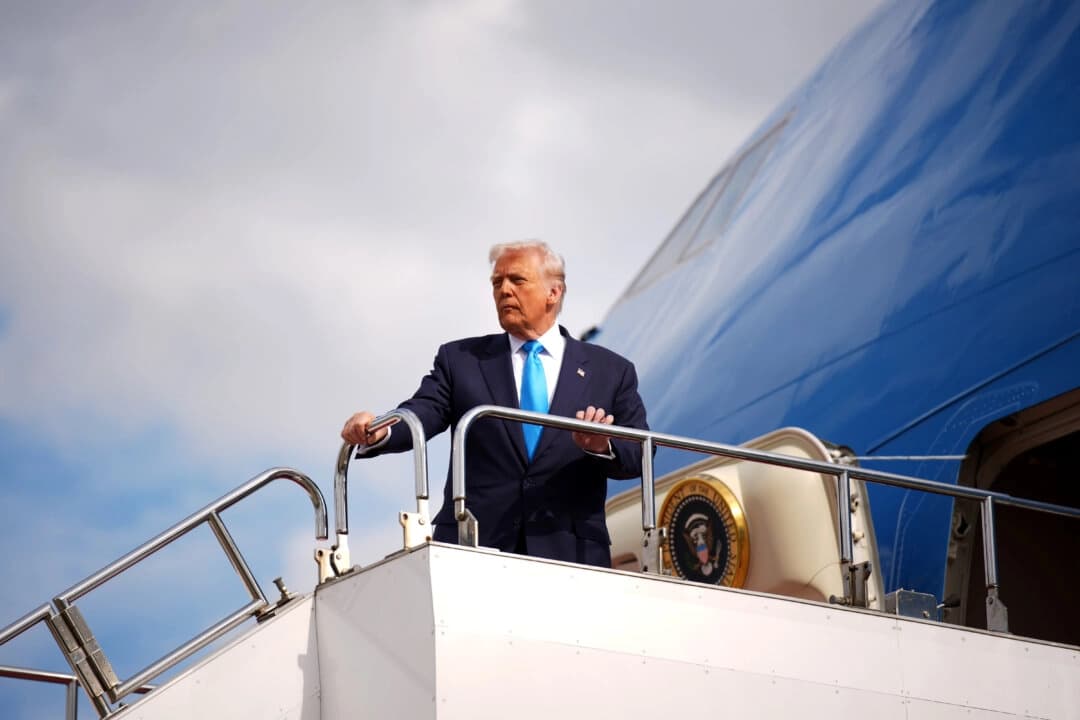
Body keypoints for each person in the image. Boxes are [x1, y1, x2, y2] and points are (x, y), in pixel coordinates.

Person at [341, 240, 648, 567]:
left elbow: (641, 453)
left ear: (554, 293)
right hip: (475, 549)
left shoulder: (611, 370)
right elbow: (423, 412)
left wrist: (601, 445)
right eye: (496, 282)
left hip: (569, 553)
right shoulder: (460, 360)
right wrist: (377, 430)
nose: (503, 290)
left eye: (517, 280)